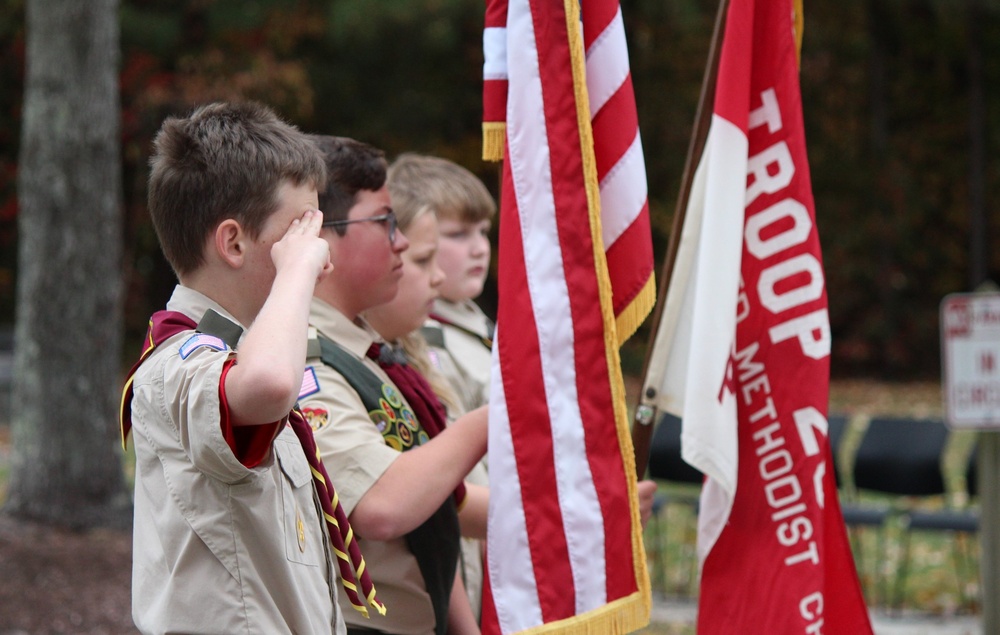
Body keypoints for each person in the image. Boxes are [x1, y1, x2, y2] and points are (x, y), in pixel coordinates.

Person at [120, 102, 378, 634]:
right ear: (233, 242)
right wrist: (297, 273)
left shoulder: (250, 353)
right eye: (299, 236)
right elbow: (267, 385)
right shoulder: (177, 364)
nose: (319, 259)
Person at [298, 135, 487, 635]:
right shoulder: (308, 361)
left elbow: (435, 520)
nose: (398, 242)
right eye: (384, 223)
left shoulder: (372, 356)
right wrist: (492, 422)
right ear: (322, 237)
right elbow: (380, 507)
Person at [387, 154, 496, 416]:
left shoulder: (468, 315)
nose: (480, 248)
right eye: (458, 234)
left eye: (483, 231)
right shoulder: (422, 341)